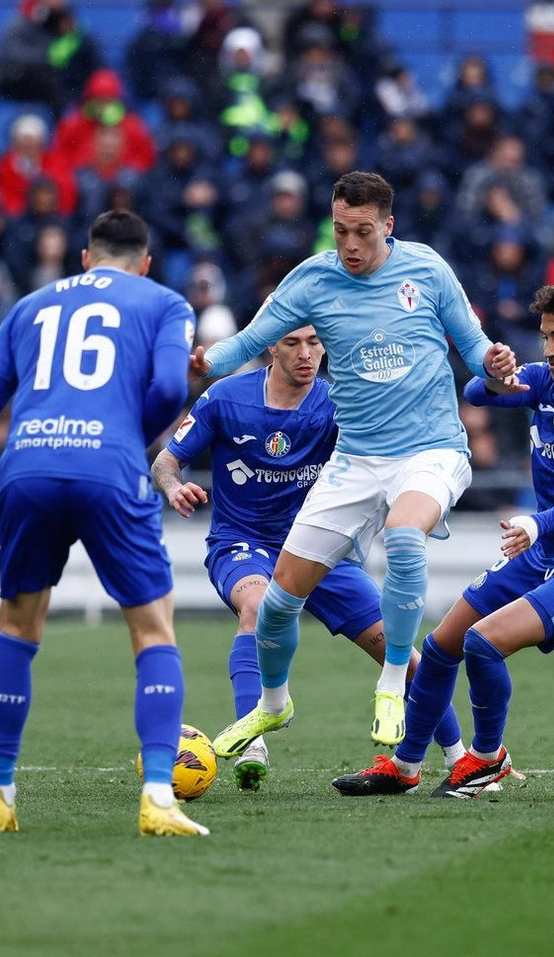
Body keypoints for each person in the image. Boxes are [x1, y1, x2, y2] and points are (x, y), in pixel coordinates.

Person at [195, 172, 519, 758]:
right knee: (275, 607)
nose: (350, 244)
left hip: (431, 450)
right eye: (341, 230)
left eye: (363, 232)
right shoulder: (314, 280)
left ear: (387, 226)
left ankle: (393, 680)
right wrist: (206, 358)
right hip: (357, 460)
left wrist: (492, 362)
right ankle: (273, 706)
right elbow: (247, 342)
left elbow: (473, 350)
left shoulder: (427, 270)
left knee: (403, 535)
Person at [0, 210, 208, 837]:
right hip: (107, 465)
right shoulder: (163, 302)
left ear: (85, 258)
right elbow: (167, 388)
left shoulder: (28, 305)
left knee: (18, 627)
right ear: (146, 262)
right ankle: (158, 798)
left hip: (26, 468)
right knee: (153, 632)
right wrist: (123, 438)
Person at [333, 281, 554, 798]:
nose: (547, 350)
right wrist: (497, 377)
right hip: (542, 552)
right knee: (441, 647)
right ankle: (407, 766)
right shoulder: (549, 380)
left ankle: (487, 760)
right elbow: (475, 392)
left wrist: (539, 521)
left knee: (483, 643)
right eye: (545, 336)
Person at [153, 326, 466, 790]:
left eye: (316, 342)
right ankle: (254, 741)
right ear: (271, 346)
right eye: (294, 342)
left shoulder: (341, 402)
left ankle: (461, 758)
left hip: (320, 549)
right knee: (258, 609)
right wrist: (175, 487)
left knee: (402, 655)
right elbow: (166, 459)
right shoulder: (225, 398)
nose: (307, 353)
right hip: (244, 544)